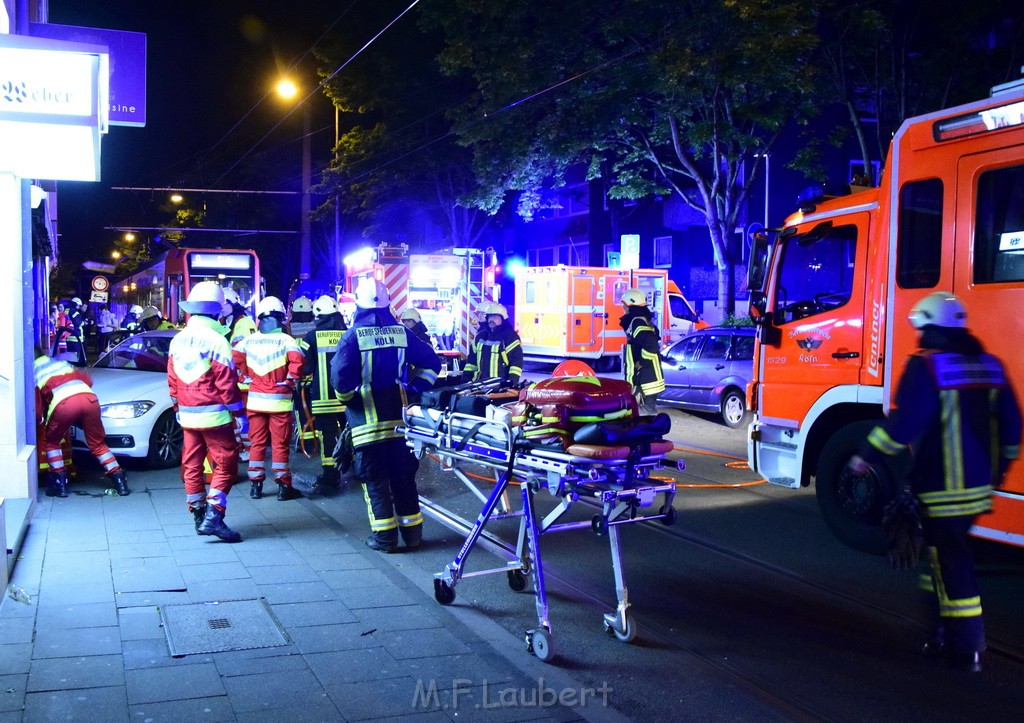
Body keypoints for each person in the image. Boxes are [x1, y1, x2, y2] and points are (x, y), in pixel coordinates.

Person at [847, 292, 1021, 673]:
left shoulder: (927, 368)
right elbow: (1012, 427)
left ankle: (966, 647)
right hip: (977, 490)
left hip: (941, 488)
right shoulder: (990, 366)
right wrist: (1001, 470)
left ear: (928, 326)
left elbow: (904, 427)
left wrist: (865, 457)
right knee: (940, 557)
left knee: (953, 562)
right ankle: (938, 632)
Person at [331, 279, 441, 552]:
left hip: (366, 425)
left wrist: (351, 400)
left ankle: (384, 539)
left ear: (358, 303)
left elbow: (340, 381)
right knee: (404, 478)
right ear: (389, 302)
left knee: (375, 482)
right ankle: (413, 536)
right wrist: (415, 388)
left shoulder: (352, 336)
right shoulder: (403, 333)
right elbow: (432, 363)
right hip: (400, 424)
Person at [168, 281, 248, 542]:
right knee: (226, 464)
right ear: (216, 311)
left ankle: (199, 515)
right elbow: (226, 383)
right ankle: (214, 517)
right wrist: (239, 415)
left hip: (188, 416)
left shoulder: (178, 339)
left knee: (191, 464)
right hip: (216, 416)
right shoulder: (217, 340)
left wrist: (178, 407)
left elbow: (172, 380)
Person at [233, 296, 305, 501]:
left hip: (255, 402)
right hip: (279, 402)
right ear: (281, 317)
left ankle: (255, 486)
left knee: (256, 444)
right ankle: (283, 487)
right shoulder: (286, 340)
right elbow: (298, 362)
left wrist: (245, 376)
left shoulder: (248, 341)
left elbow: (233, 359)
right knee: (279, 445)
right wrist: (289, 381)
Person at [34, 347, 130, 497]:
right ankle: (119, 480)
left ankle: (59, 485)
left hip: (64, 403)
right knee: (97, 443)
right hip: (89, 398)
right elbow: (87, 379)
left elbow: (37, 407)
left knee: (52, 442)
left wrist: (41, 419)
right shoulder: (61, 363)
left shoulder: (34, 371)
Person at [299, 294, 349, 494]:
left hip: (323, 398)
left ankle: (330, 476)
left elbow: (303, 364)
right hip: (348, 397)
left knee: (328, 436)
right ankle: (354, 465)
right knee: (351, 433)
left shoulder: (311, 336)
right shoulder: (348, 334)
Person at [619, 289, 665, 415]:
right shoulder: (641, 320)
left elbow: (651, 347)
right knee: (642, 412)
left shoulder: (637, 322)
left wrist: (641, 363)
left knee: (645, 413)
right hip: (645, 378)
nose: (623, 307)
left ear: (631, 305)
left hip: (647, 378)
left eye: (624, 304)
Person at [463, 301, 523, 386]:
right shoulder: (480, 336)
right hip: (479, 385)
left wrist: (511, 383)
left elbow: (516, 364)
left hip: (499, 387)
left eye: (495, 316)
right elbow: (471, 362)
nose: (491, 319)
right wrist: (465, 381)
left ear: (503, 318)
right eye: (490, 316)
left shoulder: (510, 337)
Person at [64, 297, 87, 366]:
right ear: (75, 303)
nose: (78, 307)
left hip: (68, 337)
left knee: (70, 357)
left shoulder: (66, 310)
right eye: (79, 305)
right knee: (76, 357)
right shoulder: (74, 311)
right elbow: (78, 323)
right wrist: (84, 323)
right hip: (76, 337)